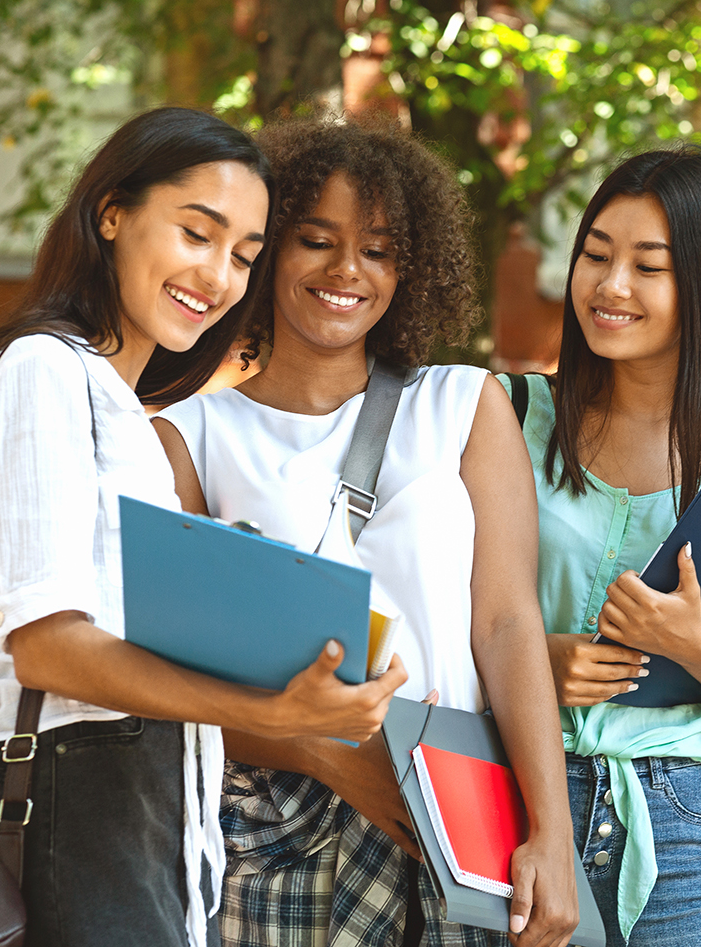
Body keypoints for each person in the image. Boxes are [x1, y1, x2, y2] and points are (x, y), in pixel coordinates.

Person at [0, 107, 408, 947]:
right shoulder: (42, 369)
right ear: (112, 212)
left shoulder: (129, 411)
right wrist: (275, 709)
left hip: (159, 813)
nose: (219, 275)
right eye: (197, 233)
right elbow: (46, 646)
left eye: (244, 256)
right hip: (80, 799)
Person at [153, 116, 578, 947]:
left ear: (410, 270)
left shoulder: (463, 405)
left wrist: (551, 831)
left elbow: (506, 624)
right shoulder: (190, 438)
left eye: (379, 250)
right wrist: (328, 756)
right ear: (268, 248)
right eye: (317, 240)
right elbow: (172, 686)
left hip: (458, 809)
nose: (348, 270)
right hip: (274, 828)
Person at [496, 145, 701, 947]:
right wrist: (539, 660)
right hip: (501, 806)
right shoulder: (507, 415)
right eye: (596, 256)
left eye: (649, 266)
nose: (610, 287)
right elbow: (432, 614)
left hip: (668, 821)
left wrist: (691, 644)